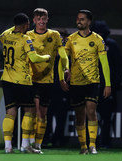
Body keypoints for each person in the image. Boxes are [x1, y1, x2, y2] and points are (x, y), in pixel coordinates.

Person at [59, 10, 111, 154]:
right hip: (75, 82)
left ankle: (92, 145)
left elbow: (104, 63)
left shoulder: (97, 39)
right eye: (77, 19)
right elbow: (64, 58)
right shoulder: (71, 39)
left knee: (91, 111)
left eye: (82, 19)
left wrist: (108, 84)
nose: (79, 21)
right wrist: (65, 71)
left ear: (89, 22)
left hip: (92, 82)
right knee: (79, 115)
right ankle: (83, 146)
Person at [0, 13, 51, 153]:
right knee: (29, 111)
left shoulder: (5, 37)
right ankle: (25, 145)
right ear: (24, 25)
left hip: (7, 80)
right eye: (27, 24)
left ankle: (8, 146)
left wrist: (16, 25)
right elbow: (34, 58)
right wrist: (47, 57)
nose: (29, 27)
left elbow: (3, 33)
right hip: (22, 80)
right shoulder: (25, 39)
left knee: (10, 112)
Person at [26, 8, 69, 153]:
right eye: (39, 19)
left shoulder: (54, 35)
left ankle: (38, 145)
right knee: (34, 112)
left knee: (43, 115)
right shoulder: (28, 35)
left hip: (48, 80)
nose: (41, 22)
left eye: (44, 19)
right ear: (34, 20)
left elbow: (63, 54)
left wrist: (66, 67)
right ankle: (29, 143)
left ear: (47, 19)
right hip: (32, 79)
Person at [91, 20, 122, 148]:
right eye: (97, 31)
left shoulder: (112, 45)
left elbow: (118, 66)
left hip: (107, 87)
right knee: (91, 115)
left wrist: (114, 84)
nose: (99, 34)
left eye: (101, 32)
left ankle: (105, 141)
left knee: (106, 117)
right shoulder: (90, 45)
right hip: (93, 87)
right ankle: (92, 142)